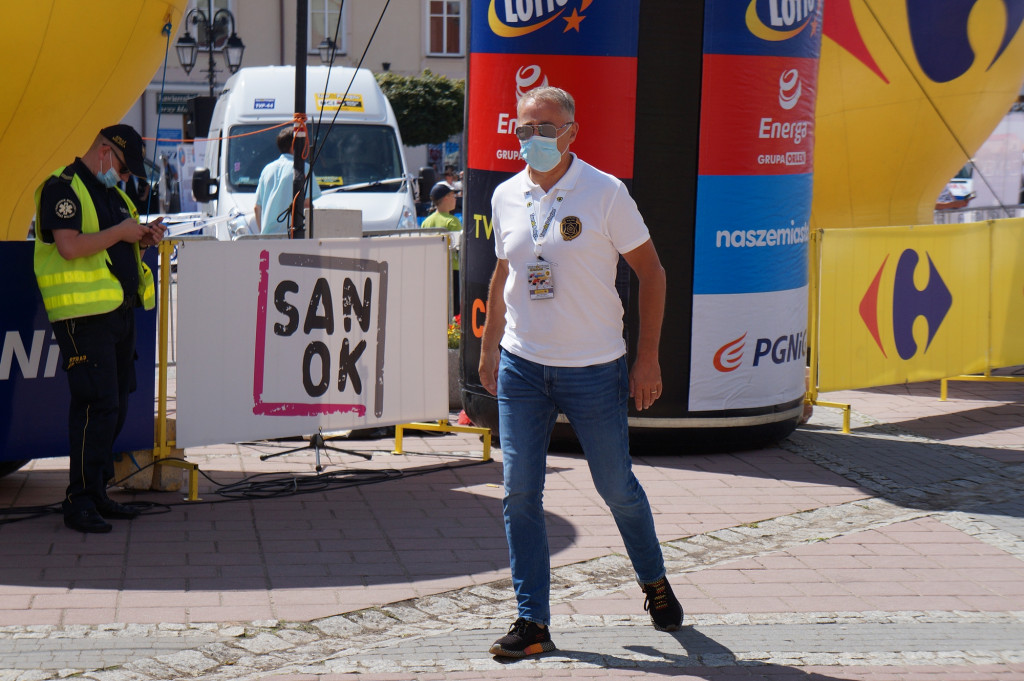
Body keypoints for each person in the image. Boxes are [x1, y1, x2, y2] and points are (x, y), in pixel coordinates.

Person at [479, 86, 680, 658]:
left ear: (572, 132)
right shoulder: (506, 195)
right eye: (523, 129)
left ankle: (654, 582)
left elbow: (654, 273)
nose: (532, 139)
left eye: (545, 129)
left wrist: (646, 357)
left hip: (594, 368)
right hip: (522, 367)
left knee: (615, 486)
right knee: (519, 492)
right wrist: (491, 349)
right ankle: (532, 622)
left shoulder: (605, 192)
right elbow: (503, 277)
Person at [33, 124, 167, 534]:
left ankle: (98, 492)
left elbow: (115, 246)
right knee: (96, 405)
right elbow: (70, 247)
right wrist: (121, 233)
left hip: (118, 313)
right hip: (83, 316)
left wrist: (144, 238)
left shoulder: (116, 195)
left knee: (117, 405)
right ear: (106, 152)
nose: (125, 178)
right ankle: (80, 501)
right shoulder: (62, 188)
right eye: (125, 169)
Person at [254, 128, 322, 234]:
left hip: (267, 239)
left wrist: (263, 234)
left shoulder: (267, 169)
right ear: (295, 144)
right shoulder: (303, 168)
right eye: (303, 142)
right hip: (292, 237)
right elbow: (307, 206)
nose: (305, 146)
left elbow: (257, 208)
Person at [422, 182, 463, 312]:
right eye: (452, 196)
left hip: (432, 270)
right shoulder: (452, 221)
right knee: (453, 309)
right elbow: (459, 249)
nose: (455, 199)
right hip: (452, 269)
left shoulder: (426, 222)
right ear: (446, 198)